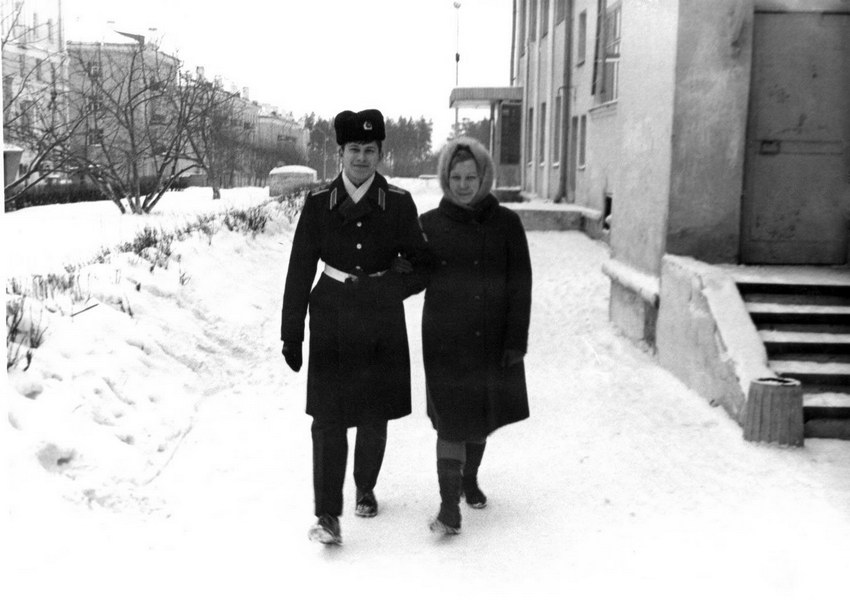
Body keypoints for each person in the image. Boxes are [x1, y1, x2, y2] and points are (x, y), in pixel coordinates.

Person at [280, 109, 428, 545]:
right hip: (331, 314)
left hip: (381, 315)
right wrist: (292, 332)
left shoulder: (398, 203)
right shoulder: (318, 204)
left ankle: (365, 485)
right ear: (340, 153)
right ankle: (327, 515)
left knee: (374, 411)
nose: (361, 158)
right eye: (354, 150)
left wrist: (391, 287)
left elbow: (423, 266)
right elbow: (299, 270)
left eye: (369, 150)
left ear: (380, 154)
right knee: (327, 416)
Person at [418, 136, 532, 535]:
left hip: (491, 338)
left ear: (484, 177)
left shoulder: (507, 224)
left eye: (471, 177)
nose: (463, 185)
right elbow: (410, 275)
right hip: (444, 341)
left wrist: (516, 341)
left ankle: (469, 479)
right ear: (445, 179)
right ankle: (449, 508)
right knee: (451, 421)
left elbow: (520, 284)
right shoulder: (429, 225)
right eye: (456, 177)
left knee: (481, 418)